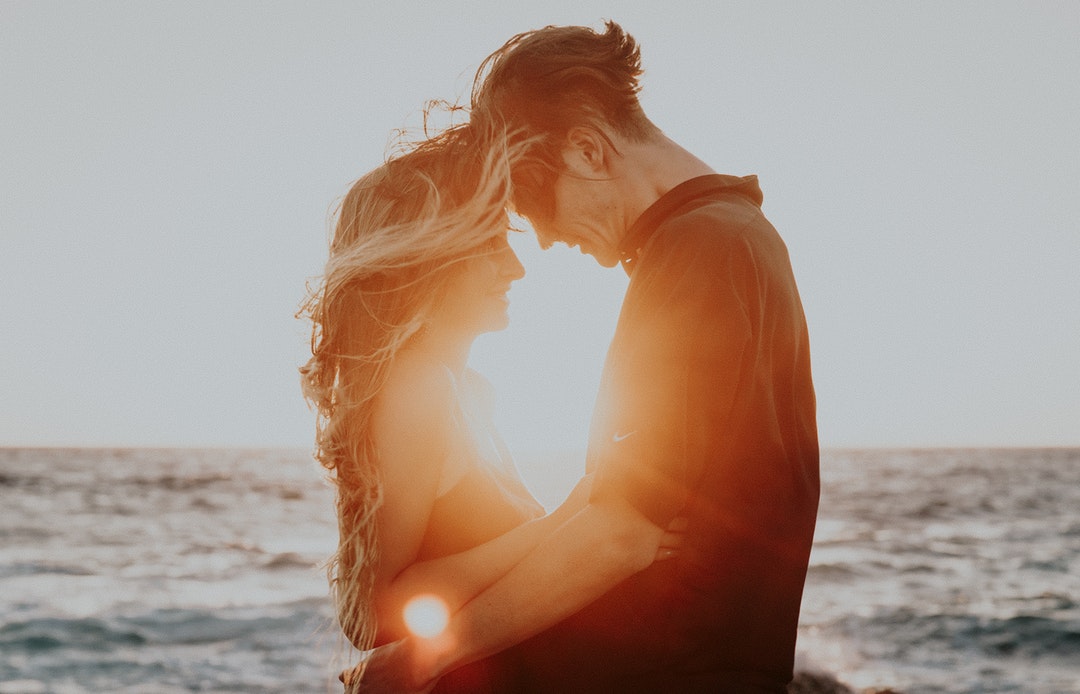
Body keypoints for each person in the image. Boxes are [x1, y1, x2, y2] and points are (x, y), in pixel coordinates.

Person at [358, 20, 820, 693]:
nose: (542, 241)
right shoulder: (728, 237)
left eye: (533, 202)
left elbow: (624, 530)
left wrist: (429, 656)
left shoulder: (700, 251)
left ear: (587, 150)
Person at [298, 122, 679, 693]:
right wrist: (566, 523)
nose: (516, 268)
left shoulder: (471, 391)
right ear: (426, 261)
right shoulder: (417, 389)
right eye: (489, 245)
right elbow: (371, 611)